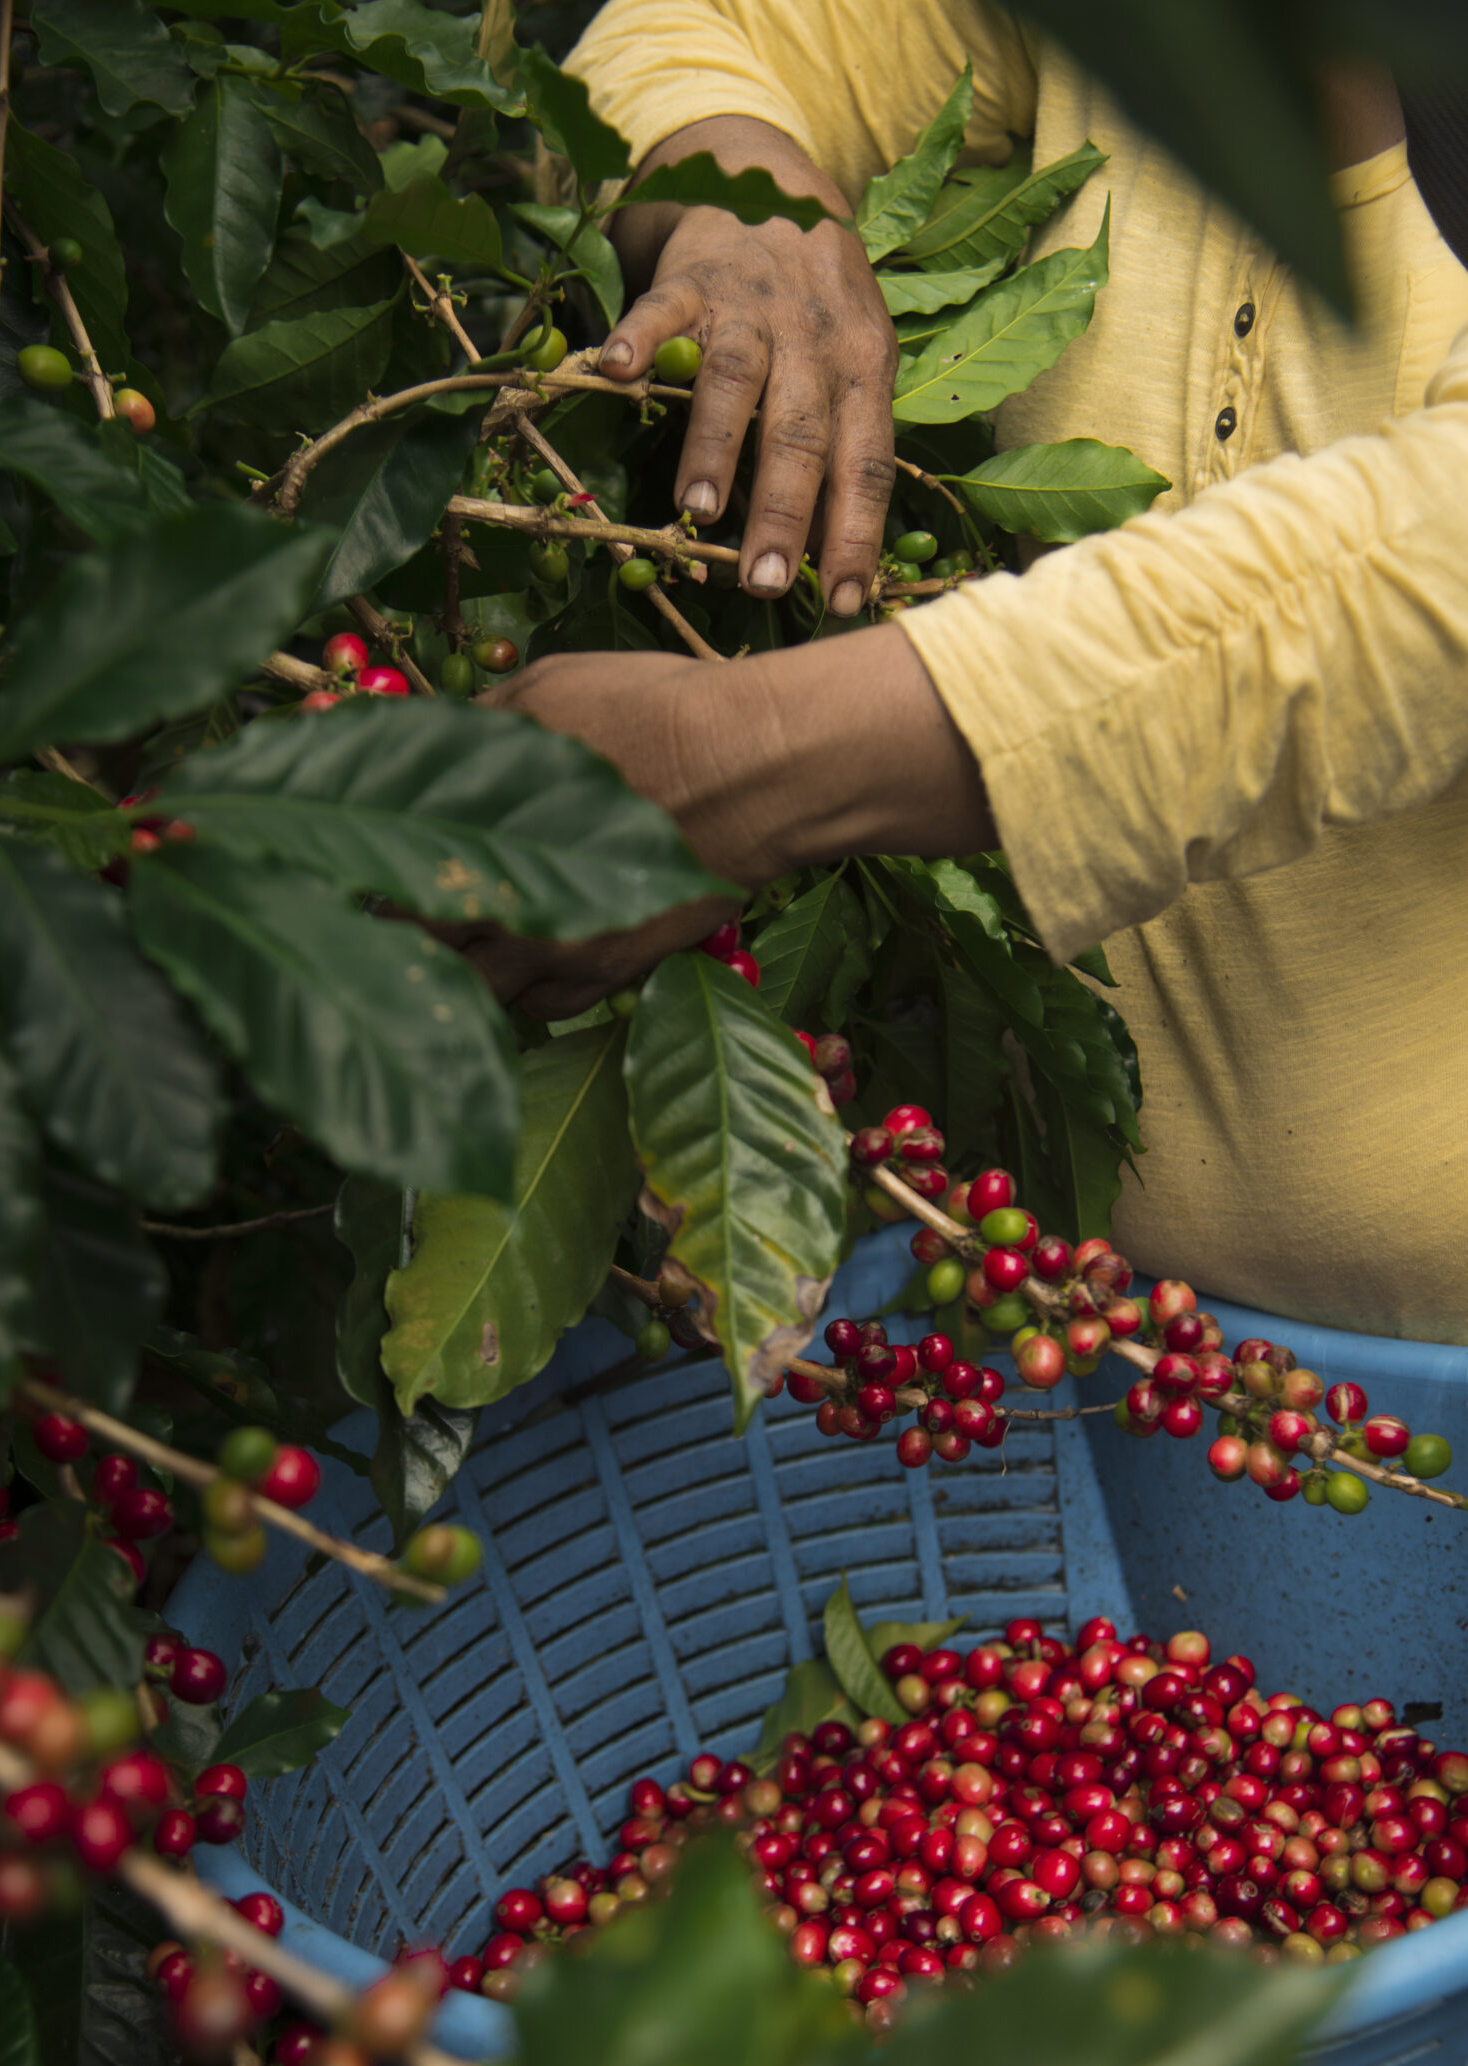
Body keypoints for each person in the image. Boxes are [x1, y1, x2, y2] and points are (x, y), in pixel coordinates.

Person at [468, 0, 1468, 1344]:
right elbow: (686, 37)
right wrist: (741, 205)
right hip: (1108, 1345)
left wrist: (738, 760)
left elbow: (1406, 584)